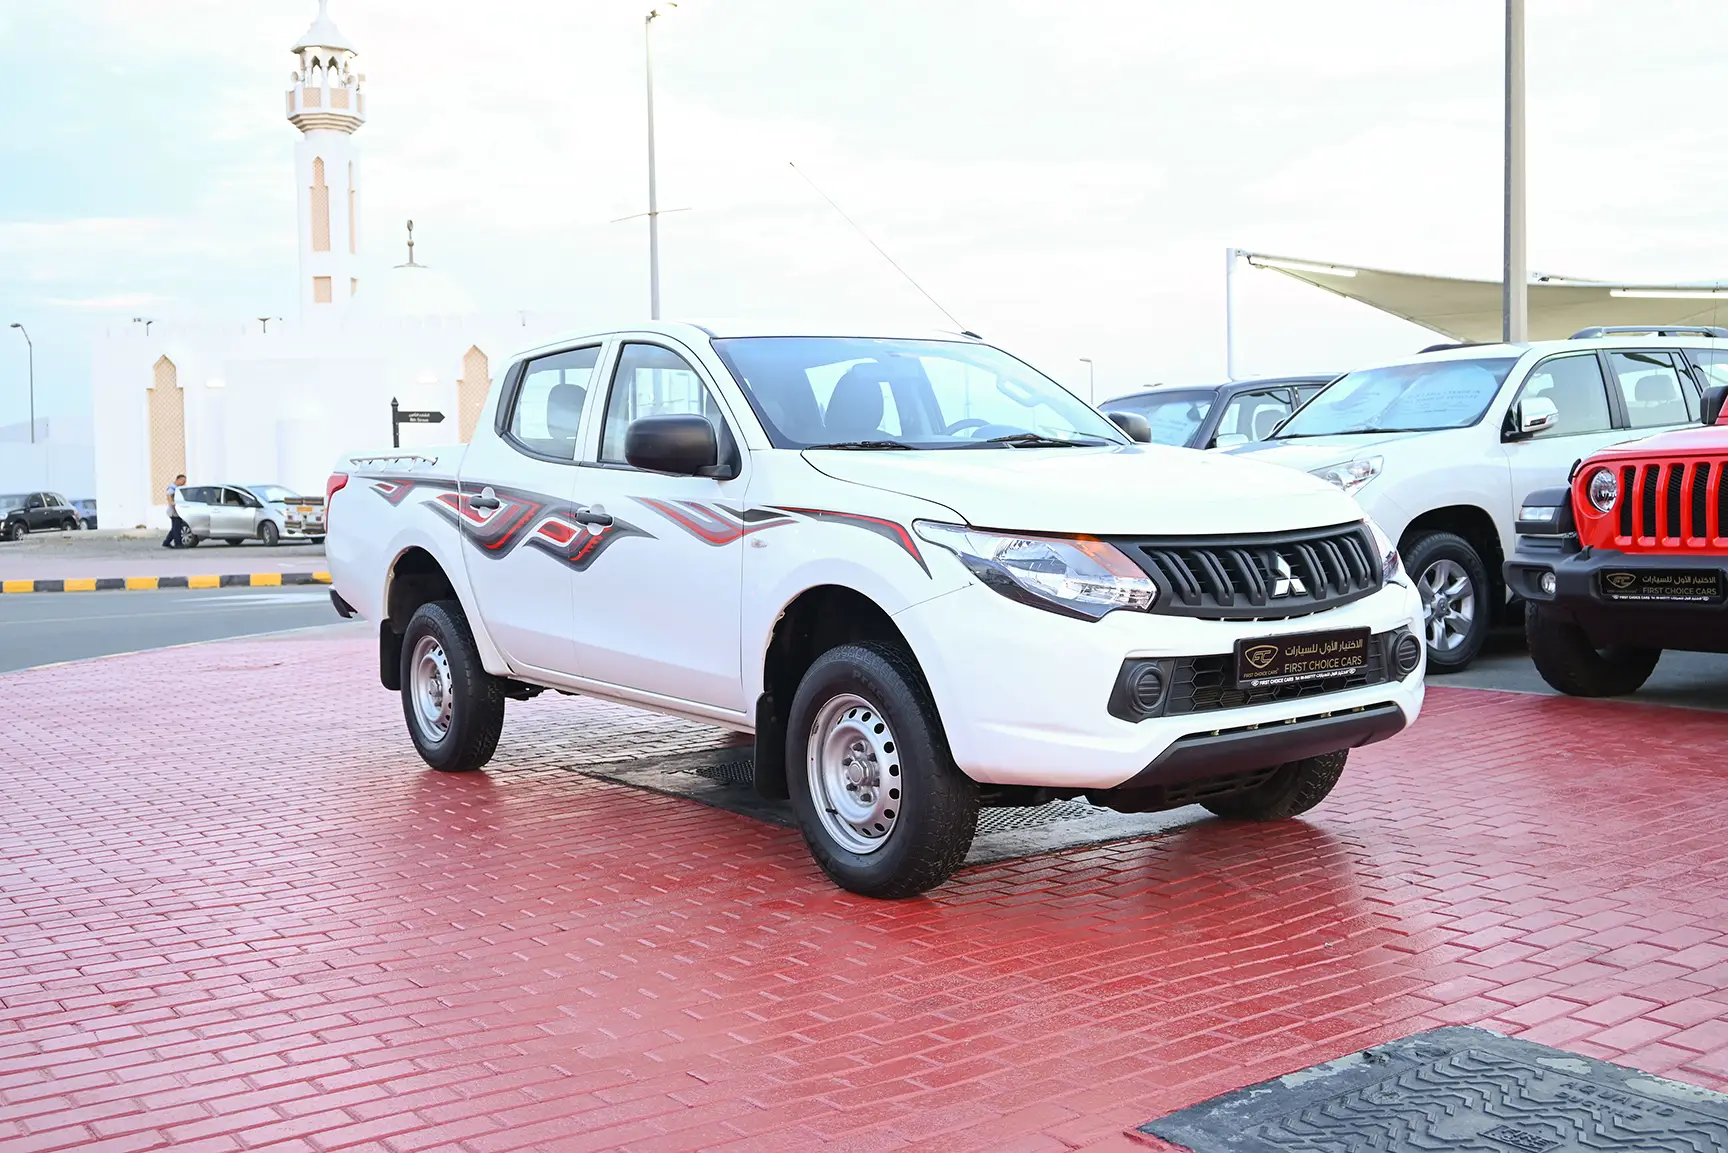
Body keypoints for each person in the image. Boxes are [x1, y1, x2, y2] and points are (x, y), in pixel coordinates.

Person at [163, 474, 187, 549]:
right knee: (176, 528)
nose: (183, 483)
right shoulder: (172, 488)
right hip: (174, 511)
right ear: (178, 480)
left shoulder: (177, 488)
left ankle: (166, 542)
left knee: (175, 527)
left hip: (177, 511)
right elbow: (169, 496)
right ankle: (178, 544)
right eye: (183, 481)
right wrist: (173, 504)